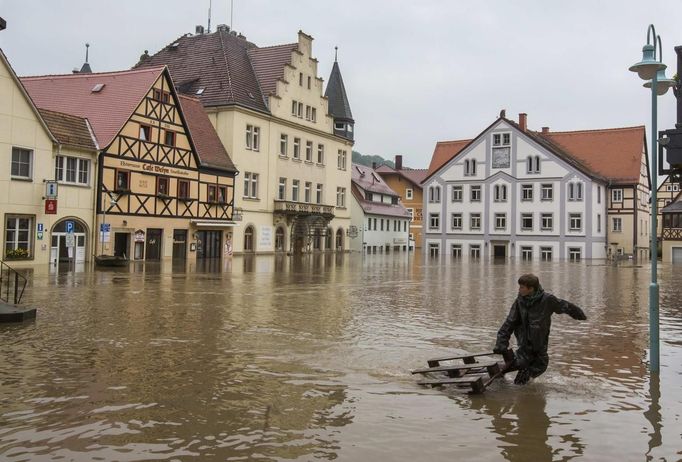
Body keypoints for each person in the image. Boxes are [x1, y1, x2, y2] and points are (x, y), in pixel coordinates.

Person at [493, 273, 587, 385]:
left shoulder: (547, 300)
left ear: (531, 288)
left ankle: (528, 395)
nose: (519, 290)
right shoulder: (519, 302)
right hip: (524, 349)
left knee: (527, 377)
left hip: (539, 352)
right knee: (509, 375)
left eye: (522, 287)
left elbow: (565, 306)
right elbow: (509, 323)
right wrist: (501, 343)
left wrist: (580, 315)